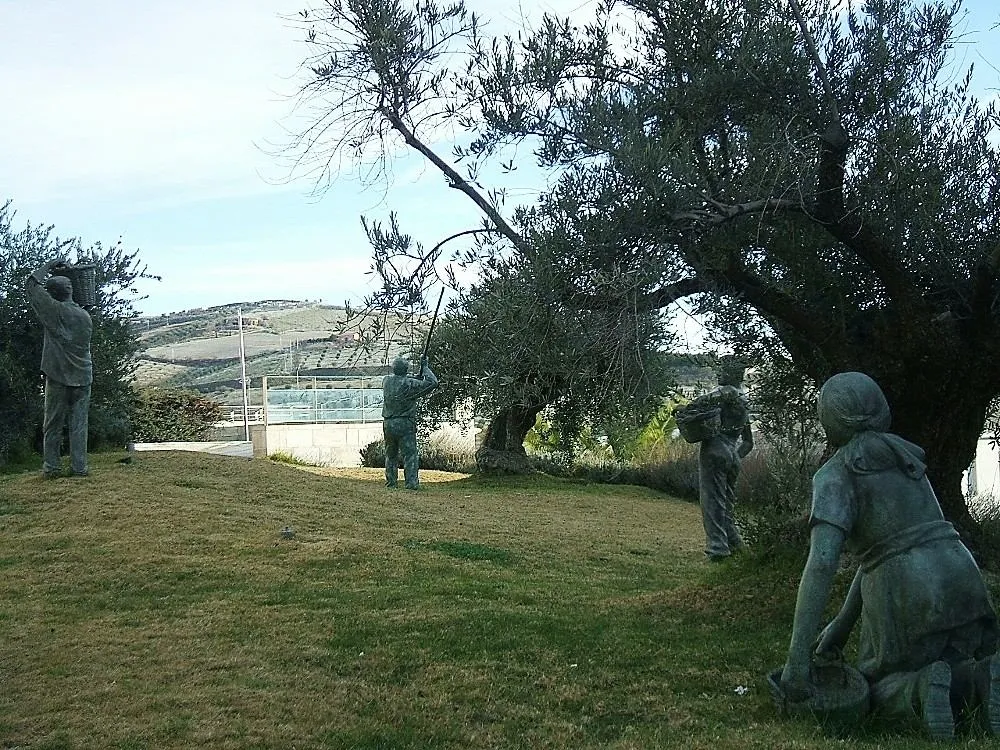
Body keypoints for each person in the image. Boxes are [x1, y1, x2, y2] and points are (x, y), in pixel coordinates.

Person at [781, 372, 999, 740]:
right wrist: (841, 624)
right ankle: (982, 678)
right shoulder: (906, 458)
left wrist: (797, 663)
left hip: (904, 587)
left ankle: (916, 692)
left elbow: (821, 565)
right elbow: (883, 550)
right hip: (959, 568)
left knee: (873, 686)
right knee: (957, 658)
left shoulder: (834, 475)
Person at [26, 259, 94, 478]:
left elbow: (31, 285)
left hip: (58, 375)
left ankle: (52, 467)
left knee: (52, 424)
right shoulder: (85, 316)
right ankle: (79, 467)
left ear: (52, 294)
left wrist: (48, 265)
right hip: (83, 375)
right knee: (79, 424)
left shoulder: (54, 311)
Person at [688, 365, 754, 560]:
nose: (718, 374)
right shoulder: (743, 399)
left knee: (712, 503)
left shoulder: (725, 393)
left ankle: (717, 550)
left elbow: (696, 405)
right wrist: (733, 457)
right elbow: (749, 442)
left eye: (722, 370)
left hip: (715, 449)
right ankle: (736, 546)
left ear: (731, 374)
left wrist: (681, 409)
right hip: (733, 452)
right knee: (726, 504)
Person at [382, 355, 438, 489]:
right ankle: (411, 483)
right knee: (410, 454)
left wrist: (414, 377)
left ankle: (391, 482)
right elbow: (433, 382)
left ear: (394, 369)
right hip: (405, 423)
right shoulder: (409, 384)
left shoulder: (386, 381)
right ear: (406, 369)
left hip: (388, 423)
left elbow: (403, 379)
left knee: (391, 454)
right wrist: (425, 367)